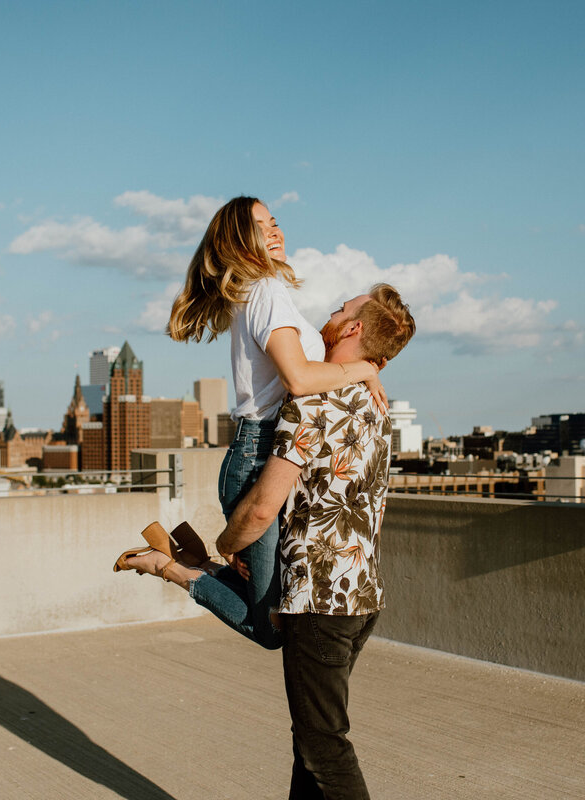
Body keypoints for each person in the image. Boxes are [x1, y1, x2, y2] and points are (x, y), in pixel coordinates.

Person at [119, 284, 415, 799]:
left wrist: (226, 540)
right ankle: (176, 568)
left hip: (317, 603)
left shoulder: (313, 402)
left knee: (324, 745)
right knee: (312, 744)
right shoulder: (374, 405)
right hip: (361, 596)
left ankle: (176, 568)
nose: (331, 312)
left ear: (353, 330)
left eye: (340, 309)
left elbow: (261, 507)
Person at [117, 197, 387, 651]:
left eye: (275, 223)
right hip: (259, 454)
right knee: (270, 626)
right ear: (239, 243)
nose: (275, 232)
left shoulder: (265, 293)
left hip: (268, 450)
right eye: (260, 227)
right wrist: (364, 369)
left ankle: (193, 558)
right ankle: (170, 566)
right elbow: (298, 379)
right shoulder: (265, 291)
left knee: (272, 596)